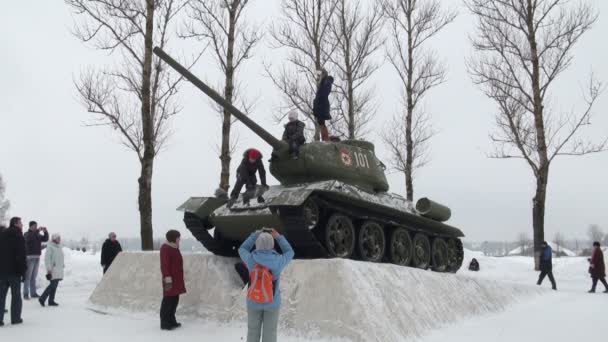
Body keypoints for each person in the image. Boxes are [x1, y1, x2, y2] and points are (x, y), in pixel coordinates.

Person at [238, 228, 294, 342]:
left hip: (253, 301)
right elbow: (290, 252)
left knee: (253, 331)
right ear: (272, 245)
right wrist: (278, 236)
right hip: (272, 302)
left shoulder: (251, 259)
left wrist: (254, 235)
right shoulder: (278, 261)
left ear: (257, 244)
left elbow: (242, 249)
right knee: (270, 333)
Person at [0, 217, 26, 326]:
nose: (22, 224)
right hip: (14, 271)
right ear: (15, 223)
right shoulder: (18, 236)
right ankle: (15, 318)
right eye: (20, 223)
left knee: (1, 296)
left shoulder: (2, 235)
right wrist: (23, 271)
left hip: (2, 271)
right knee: (16, 296)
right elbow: (21, 255)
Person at [160, 230, 186, 330]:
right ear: (173, 238)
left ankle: (171, 320)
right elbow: (164, 265)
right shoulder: (165, 248)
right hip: (169, 279)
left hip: (177, 279)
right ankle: (165, 323)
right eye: (178, 238)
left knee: (174, 300)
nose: (179, 239)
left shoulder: (175, 248)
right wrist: (167, 278)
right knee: (168, 300)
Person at [23, 221, 49, 299]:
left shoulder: (37, 234)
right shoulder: (27, 234)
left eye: (36, 226)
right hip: (29, 257)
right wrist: (37, 231)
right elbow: (30, 238)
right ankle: (25, 294)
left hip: (37, 257)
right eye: (34, 226)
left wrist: (45, 232)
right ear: (30, 226)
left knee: (33, 277)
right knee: (28, 277)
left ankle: (33, 293)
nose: (36, 227)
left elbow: (45, 239)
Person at [39, 233, 64, 307]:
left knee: (54, 285)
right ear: (54, 239)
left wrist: (62, 264)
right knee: (52, 285)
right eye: (58, 238)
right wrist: (49, 269)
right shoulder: (50, 247)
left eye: (60, 238)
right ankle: (42, 298)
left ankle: (51, 300)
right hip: (53, 269)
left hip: (58, 269)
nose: (59, 239)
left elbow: (60, 257)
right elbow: (47, 259)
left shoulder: (59, 247)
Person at [312, 68, 334, 142]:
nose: (319, 76)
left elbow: (323, 93)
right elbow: (319, 95)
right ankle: (325, 139)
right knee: (321, 123)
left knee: (322, 123)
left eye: (320, 74)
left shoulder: (326, 82)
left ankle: (326, 139)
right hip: (319, 105)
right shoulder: (323, 82)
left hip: (322, 105)